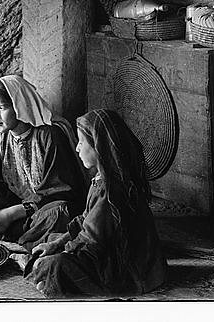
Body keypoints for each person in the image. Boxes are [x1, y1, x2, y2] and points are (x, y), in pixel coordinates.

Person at [26, 109, 167, 298]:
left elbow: (91, 241)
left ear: (98, 146)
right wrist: (58, 242)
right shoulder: (102, 180)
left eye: (82, 142)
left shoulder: (111, 190)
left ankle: (48, 274)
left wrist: (61, 252)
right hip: (111, 252)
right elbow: (86, 219)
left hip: (129, 271)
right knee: (51, 243)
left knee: (54, 264)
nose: (77, 148)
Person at [0, 75, 85, 255]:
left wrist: (10, 214)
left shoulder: (48, 135)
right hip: (13, 203)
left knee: (59, 214)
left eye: (2, 108)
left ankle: (18, 245)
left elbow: (59, 191)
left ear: (19, 107)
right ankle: (12, 241)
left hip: (39, 211)